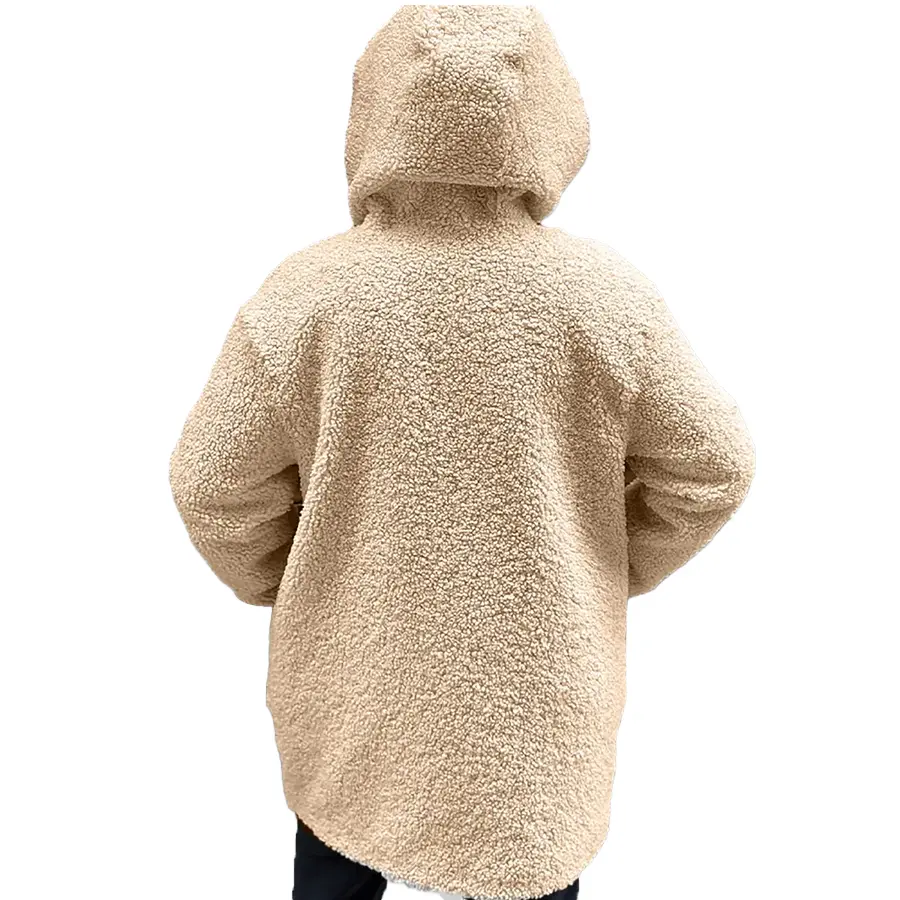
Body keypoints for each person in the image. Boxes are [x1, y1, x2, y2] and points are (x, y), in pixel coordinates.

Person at [169, 6, 755, 900]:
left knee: (335, 861)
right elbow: (715, 466)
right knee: (526, 861)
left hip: (356, 697)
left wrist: (298, 579)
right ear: (550, 115)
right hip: (534, 714)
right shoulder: (605, 299)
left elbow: (212, 485)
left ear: (377, 109)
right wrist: (604, 563)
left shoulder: (308, 296)